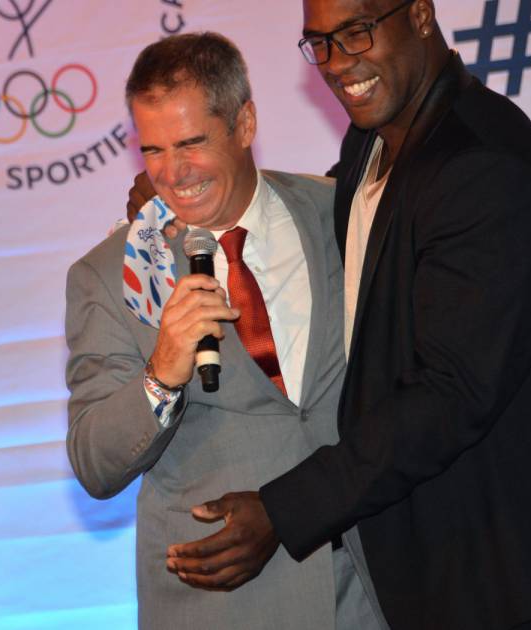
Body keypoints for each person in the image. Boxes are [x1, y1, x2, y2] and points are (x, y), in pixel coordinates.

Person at [161, 2, 531, 629]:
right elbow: (371, 255)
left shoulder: (484, 164)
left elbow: (450, 392)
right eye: (321, 44)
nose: (340, 63)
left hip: (511, 568)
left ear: (419, 14)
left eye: (358, 32)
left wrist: (284, 510)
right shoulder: (378, 138)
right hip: (454, 560)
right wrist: (185, 188)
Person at [66, 33, 388, 629]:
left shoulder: (341, 211)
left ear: (245, 124)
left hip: (375, 593)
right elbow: (93, 462)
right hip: (226, 609)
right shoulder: (112, 275)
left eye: (192, 142)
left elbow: (423, 339)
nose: (173, 172)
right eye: (153, 150)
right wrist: (162, 373)